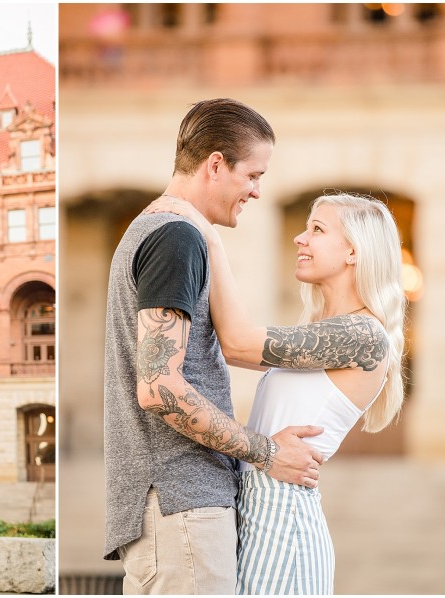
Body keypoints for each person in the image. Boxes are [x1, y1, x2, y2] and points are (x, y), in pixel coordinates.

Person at [104, 98, 326, 595]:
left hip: (172, 507)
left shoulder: (170, 231)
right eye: (252, 175)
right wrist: (268, 452)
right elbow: (159, 388)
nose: (258, 191)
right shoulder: (174, 238)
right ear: (216, 164)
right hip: (182, 505)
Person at [146, 192, 404, 594]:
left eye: (317, 230)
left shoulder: (363, 335)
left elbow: (236, 342)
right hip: (262, 509)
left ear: (354, 251)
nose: (300, 238)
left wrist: (209, 238)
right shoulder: (330, 330)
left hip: (284, 520)